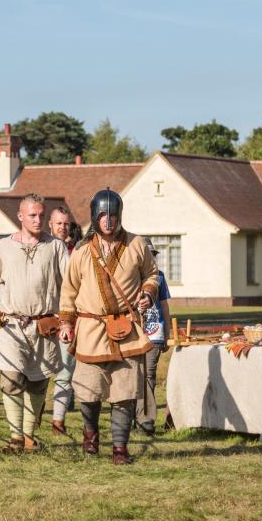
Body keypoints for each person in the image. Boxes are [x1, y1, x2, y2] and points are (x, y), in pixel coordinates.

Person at [59, 189, 158, 465]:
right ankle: (90, 435)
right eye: (103, 216)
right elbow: (69, 289)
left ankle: (120, 449)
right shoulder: (80, 251)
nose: (108, 221)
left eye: (113, 215)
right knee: (88, 393)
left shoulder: (137, 244)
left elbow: (151, 274)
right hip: (91, 329)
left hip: (127, 331)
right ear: (95, 217)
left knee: (125, 395)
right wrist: (66, 322)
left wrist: (148, 294)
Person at [0, 194, 68, 452]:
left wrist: (69, 317)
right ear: (20, 217)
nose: (38, 220)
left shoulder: (56, 247)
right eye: (32, 215)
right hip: (11, 325)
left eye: (41, 215)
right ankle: (15, 437)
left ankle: (28, 437)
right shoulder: (4, 247)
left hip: (44, 325)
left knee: (38, 382)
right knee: (11, 378)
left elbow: (71, 282)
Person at [136, 239, 171, 435]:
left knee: (148, 376)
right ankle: (135, 417)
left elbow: (164, 306)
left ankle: (146, 421)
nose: (150, 258)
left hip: (155, 333)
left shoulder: (160, 277)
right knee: (134, 376)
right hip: (133, 333)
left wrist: (167, 333)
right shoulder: (131, 276)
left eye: (153, 255)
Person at [47, 206, 76, 434]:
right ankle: (33, 417)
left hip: (68, 318)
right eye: (58, 223)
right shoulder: (41, 248)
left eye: (66, 224)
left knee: (65, 371)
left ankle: (58, 421)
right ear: (51, 224)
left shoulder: (77, 251)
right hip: (44, 317)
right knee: (37, 372)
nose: (62, 227)